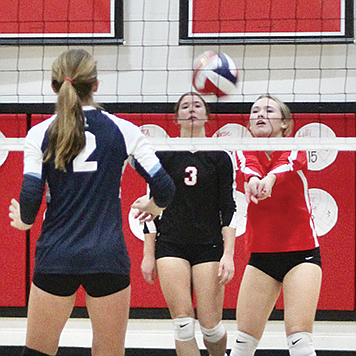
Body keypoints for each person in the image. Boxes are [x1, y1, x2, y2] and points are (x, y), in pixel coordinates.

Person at [8, 48, 175, 356]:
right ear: (95, 85)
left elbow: (30, 199)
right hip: (107, 255)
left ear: (55, 86)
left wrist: (25, 220)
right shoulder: (124, 130)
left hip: (58, 255)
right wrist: (156, 205)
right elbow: (164, 186)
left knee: (37, 352)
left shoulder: (39, 133)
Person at [140, 92, 237, 356]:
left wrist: (228, 254)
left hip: (209, 246)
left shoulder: (220, 156)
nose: (191, 110)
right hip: (171, 245)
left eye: (197, 105)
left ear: (206, 115)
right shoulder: (163, 155)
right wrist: (148, 254)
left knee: (211, 328)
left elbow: (228, 208)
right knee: (183, 325)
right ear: (175, 117)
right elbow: (151, 209)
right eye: (185, 106)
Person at [231, 95, 322, 356]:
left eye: (269, 110)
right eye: (255, 110)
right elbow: (247, 167)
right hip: (262, 257)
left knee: (300, 342)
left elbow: (288, 164)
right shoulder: (243, 148)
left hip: (301, 255)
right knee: (242, 344)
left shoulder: (295, 147)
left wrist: (268, 180)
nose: (260, 114)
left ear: (284, 123)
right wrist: (254, 179)